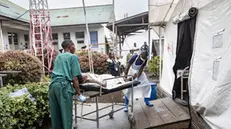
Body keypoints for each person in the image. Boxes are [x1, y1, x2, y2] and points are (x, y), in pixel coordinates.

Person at [49, 40, 87, 129]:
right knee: (66, 117)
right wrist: (79, 94)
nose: (75, 48)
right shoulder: (73, 57)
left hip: (53, 87)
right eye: (74, 45)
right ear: (71, 47)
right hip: (63, 87)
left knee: (56, 117)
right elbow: (75, 78)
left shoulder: (58, 56)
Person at [123, 45, 153, 112]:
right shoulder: (134, 57)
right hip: (131, 71)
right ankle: (126, 105)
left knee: (147, 85)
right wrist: (126, 76)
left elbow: (141, 69)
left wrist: (136, 76)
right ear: (141, 52)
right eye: (143, 54)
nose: (144, 56)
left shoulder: (145, 59)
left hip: (139, 73)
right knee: (129, 89)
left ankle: (146, 100)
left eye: (146, 54)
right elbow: (128, 66)